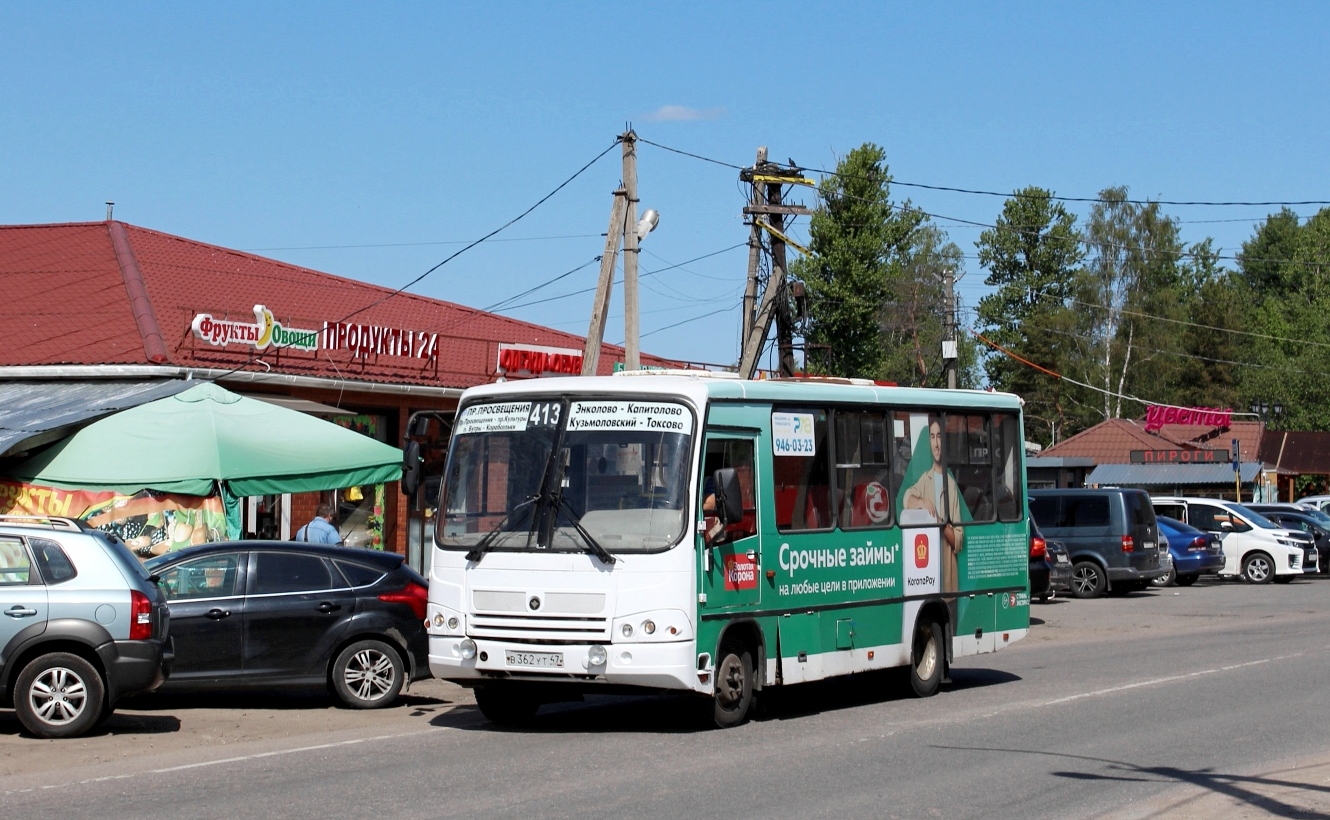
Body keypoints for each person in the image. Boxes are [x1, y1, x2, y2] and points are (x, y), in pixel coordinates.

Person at [901, 417, 965, 593]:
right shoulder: (925, 479)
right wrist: (921, 502)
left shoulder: (951, 486)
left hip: (947, 582)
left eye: (939, 437)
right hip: (925, 575)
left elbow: (958, 540)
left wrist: (941, 522)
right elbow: (906, 498)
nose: (936, 444)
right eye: (932, 437)